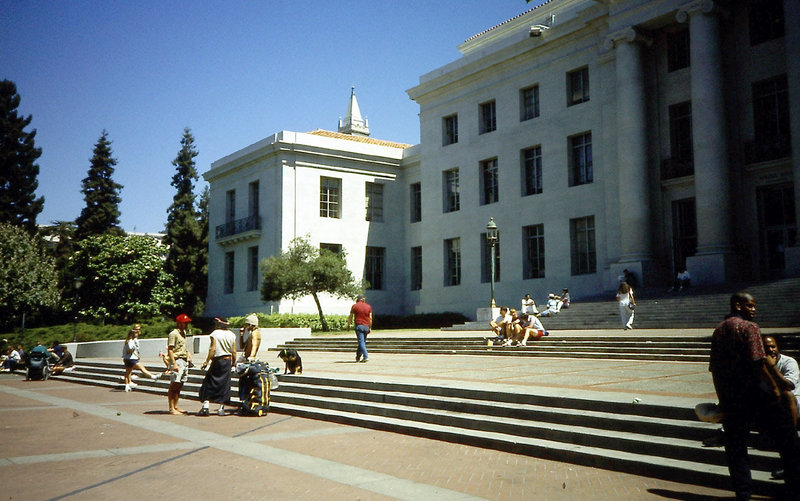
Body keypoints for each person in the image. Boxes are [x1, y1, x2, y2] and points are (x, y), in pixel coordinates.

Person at [710, 292, 800, 499]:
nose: (754, 310)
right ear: (738, 305)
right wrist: (775, 389)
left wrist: (722, 399)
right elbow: (758, 363)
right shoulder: (750, 328)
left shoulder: (719, 330)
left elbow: (715, 369)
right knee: (789, 442)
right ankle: (795, 489)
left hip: (732, 398)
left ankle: (743, 493)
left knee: (736, 448)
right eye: (750, 305)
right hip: (757, 395)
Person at [198, 317, 236, 416]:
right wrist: (234, 363)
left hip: (217, 360)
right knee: (225, 384)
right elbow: (234, 351)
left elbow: (212, 349)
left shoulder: (215, 334)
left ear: (219, 324)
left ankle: (206, 406)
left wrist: (206, 361)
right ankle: (221, 408)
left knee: (209, 382)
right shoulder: (232, 335)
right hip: (227, 360)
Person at [764, 335, 800, 427]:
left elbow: (789, 386)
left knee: (787, 395)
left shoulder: (789, 362)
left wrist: (773, 368)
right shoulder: (760, 364)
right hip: (772, 403)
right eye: (767, 347)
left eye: (773, 346)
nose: (771, 350)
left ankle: (792, 434)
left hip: (792, 403)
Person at [166, 314, 193, 415]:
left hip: (184, 360)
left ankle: (176, 406)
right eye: (184, 323)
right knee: (174, 385)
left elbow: (183, 347)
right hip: (177, 360)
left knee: (180, 385)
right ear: (179, 323)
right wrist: (174, 364)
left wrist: (188, 354)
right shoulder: (173, 334)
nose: (186, 324)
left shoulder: (184, 333)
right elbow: (170, 349)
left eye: (187, 323)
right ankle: (171, 408)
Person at [121, 324, 159, 391]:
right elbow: (129, 350)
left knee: (128, 372)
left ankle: (127, 385)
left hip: (127, 359)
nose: (138, 332)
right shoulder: (131, 341)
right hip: (132, 358)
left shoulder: (128, 340)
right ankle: (153, 376)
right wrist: (133, 349)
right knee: (142, 368)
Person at [347, 294, 373, 363]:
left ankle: (365, 356)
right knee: (362, 342)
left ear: (358, 299)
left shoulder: (354, 306)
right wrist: (370, 327)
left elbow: (351, 316)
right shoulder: (368, 306)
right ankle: (358, 357)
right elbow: (370, 318)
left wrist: (348, 325)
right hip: (366, 326)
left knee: (361, 342)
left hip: (359, 326)